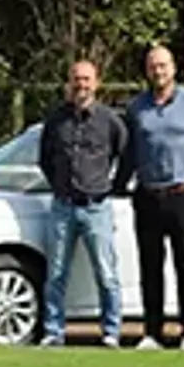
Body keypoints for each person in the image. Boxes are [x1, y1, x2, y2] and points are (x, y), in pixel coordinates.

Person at [122, 45, 184, 351]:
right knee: (150, 268)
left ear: (173, 68)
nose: (158, 72)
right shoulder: (137, 107)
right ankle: (153, 332)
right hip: (149, 195)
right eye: (153, 67)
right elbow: (129, 152)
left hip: (182, 195)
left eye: (163, 66)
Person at [38, 60, 128, 349]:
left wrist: (113, 187)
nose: (81, 85)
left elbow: (125, 156)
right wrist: (59, 185)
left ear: (97, 83)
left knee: (106, 273)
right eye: (76, 79)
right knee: (56, 273)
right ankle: (53, 331)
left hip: (96, 206)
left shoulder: (110, 121)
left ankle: (111, 331)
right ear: (69, 82)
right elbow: (45, 159)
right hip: (62, 206)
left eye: (87, 80)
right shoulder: (56, 120)